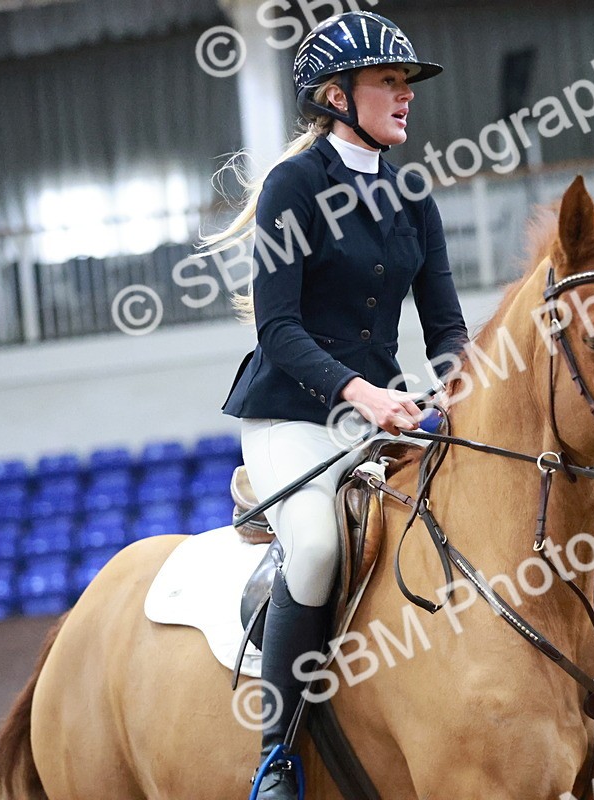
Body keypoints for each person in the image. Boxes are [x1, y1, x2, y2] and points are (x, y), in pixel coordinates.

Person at [199, 12, 469, 798]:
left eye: (406, 83)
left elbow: (446, 324)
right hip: (292, 415)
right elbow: (278, 328)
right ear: (336, 95)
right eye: (389, 81)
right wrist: (359, 392)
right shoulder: (296, 187)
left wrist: (457, 381)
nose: (406, 95)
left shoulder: (413, 194)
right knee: (317, 547)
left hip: (377, 419)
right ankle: (277, 758)